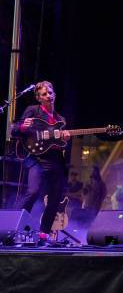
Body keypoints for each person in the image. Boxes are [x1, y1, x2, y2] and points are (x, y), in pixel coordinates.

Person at [11, 81, 70, 236]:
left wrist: (65, 139)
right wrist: (22, 127)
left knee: (55, 199)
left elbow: (60, 144)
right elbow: (15, 130)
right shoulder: (33, 110)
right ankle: (14, 228)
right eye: (44, 94)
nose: (48, 96)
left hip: (55, 160)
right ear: (38, 98)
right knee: (33, 191)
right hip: (37, 159)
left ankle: (44, 234)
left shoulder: (61, 119)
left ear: (55, 95)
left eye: (50, 93)